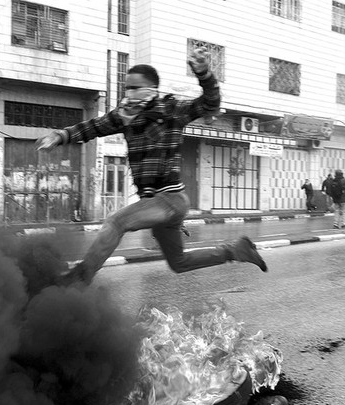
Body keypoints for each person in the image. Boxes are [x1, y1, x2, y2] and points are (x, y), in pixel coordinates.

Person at [35, 48, 267, 286]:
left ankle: (80, 279)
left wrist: (204, 73)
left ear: (152, 89)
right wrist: (61, 135)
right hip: (155, 204)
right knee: (179, 263)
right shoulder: (124, 117)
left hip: (171, 199)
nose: (130, 93)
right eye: (127, 87)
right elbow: (92, 127)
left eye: (135, 87)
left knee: (116, 222)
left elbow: (209, 103)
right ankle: (237, 251)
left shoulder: (171, 111)